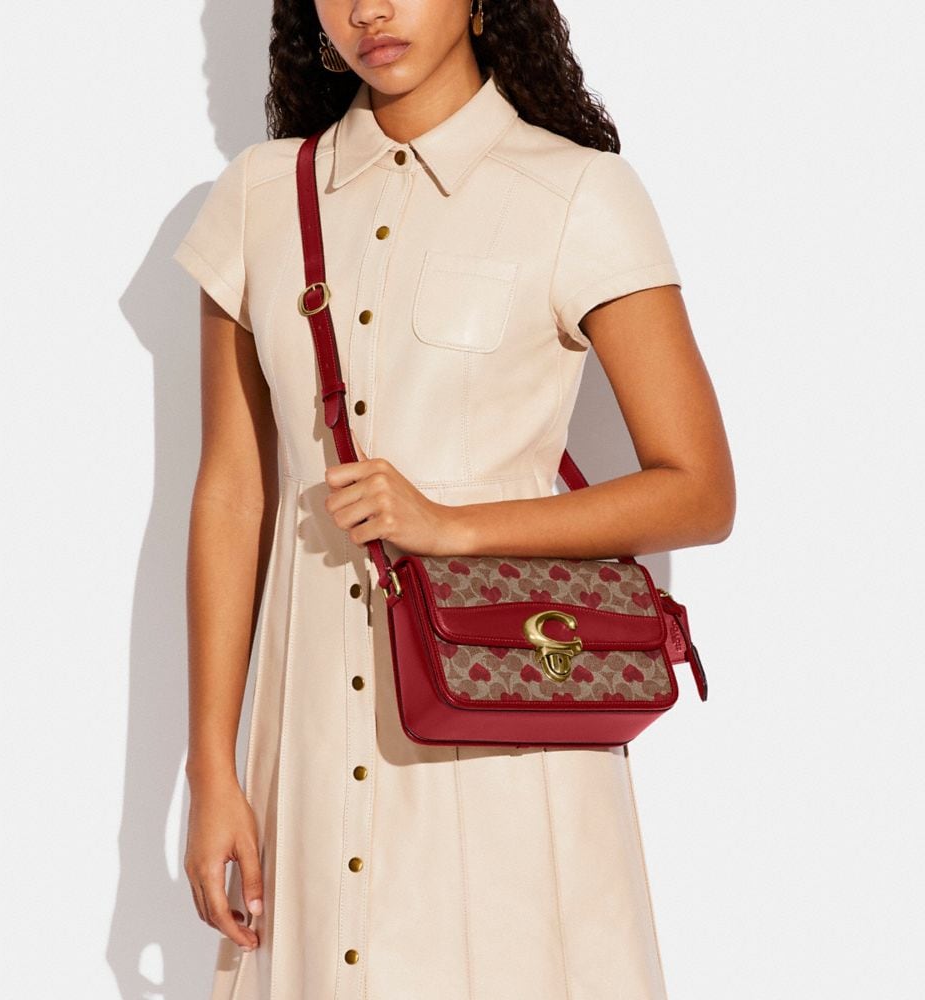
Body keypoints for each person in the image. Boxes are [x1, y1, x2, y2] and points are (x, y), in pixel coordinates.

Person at [172, 1, 735, 998]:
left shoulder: (578, 193)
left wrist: (453, 526)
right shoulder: (260, 198)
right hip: (309, 747)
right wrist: (211, 766)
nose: (369, 9)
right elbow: (231, 491)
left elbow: (699, 490)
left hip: (508, 747)